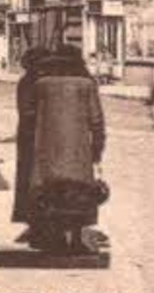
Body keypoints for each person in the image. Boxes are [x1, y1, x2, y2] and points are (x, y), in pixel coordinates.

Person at [14, 43, 107, 253]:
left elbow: (28, 115)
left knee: (51, 192)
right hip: (78, 151)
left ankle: (55, 239)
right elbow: (97, 120)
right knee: (78, 194)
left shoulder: (41, 84)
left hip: (47, 150)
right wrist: (97, 149)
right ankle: (76, 240)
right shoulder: (87, 85)